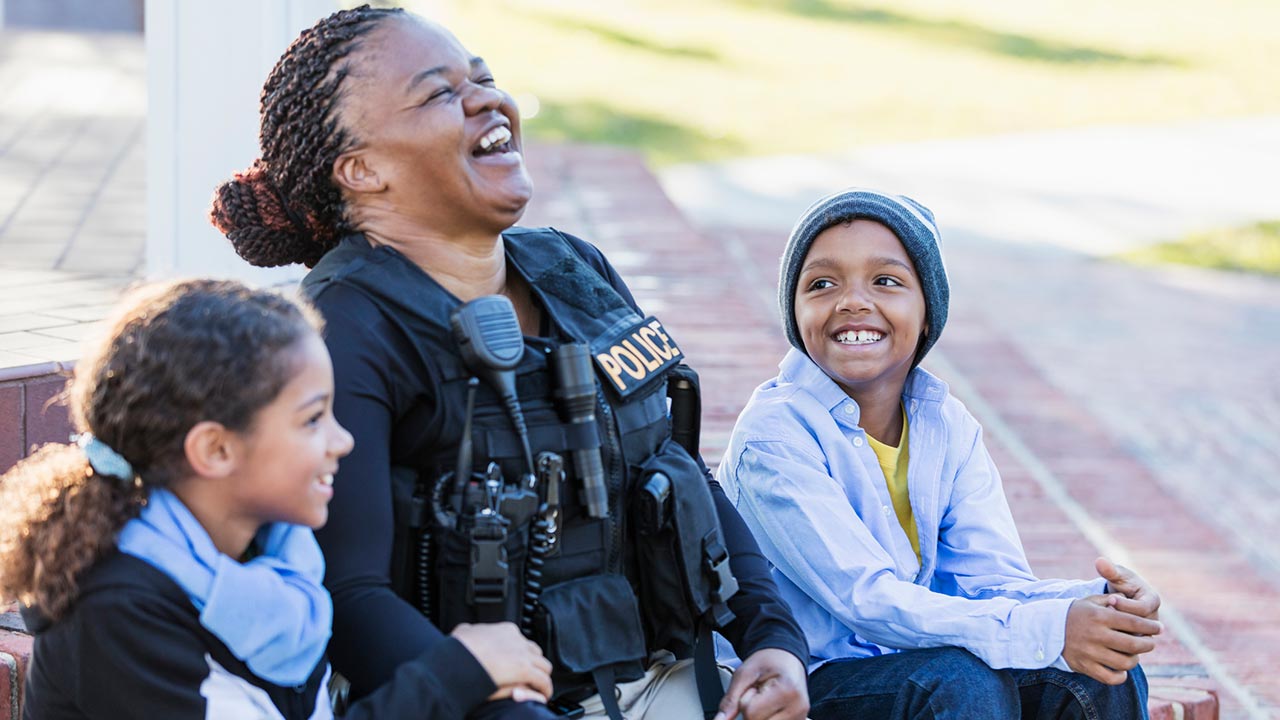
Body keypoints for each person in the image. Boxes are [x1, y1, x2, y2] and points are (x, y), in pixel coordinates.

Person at [208, 6, 809, 720]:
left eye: (484, 78)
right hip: (480, 705)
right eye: (439, 93)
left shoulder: (573, 267)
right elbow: (349, 594)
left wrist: (773, 637)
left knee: (939, 687)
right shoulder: (344, 327)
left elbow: (677, 471)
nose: (486, 100)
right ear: (362, 169)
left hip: (673, 680)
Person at [0, 279, 552, 719]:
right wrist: (457, 671)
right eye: (313, 419)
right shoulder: (117, 608)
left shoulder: (275, 553)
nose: (344, 441)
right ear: (215, 449)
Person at [715, 188, 1163, 719]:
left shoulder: (946, 426)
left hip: (912, 664)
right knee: (957, 682)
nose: (853, 301)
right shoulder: (774, 437)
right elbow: (866, 601)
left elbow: (988, 584)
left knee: (1102, 672)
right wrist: (1050, 628)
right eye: (821, 283)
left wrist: (1096, 607)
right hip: (806, 682)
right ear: (795, 312)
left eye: (885, 281)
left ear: (927, 312)